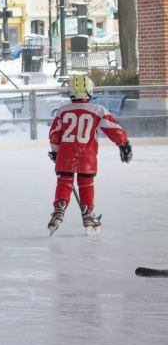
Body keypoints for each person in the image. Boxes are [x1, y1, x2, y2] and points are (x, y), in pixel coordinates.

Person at [47, 74, 132, 235]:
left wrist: (56, 152)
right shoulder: (97, 110)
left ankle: (58, 211)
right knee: (86, 184)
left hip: (66, 154)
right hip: (87, 155)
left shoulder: (62, 111)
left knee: (64, 182)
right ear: (89, 90)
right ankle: (87, 215)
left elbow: (54, 134)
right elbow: (114, 128)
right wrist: (124, 144)